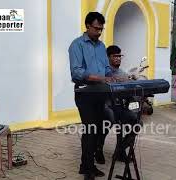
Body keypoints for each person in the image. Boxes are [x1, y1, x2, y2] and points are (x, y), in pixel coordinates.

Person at [68, 12, 113, 180]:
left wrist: (115, 75)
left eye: (101, 29)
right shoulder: (76, 45)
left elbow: (106, 69)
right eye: (96, 28)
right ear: (87, 26)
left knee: (100, 127)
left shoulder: (101, 47)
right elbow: (77, 72)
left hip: (101, 92)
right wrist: (100, 77)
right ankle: (87, 169)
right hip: (85, 92)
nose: (99, 32)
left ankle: (86, 165)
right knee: (90, 130)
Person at [95, 45, 138, 164]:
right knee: (110, 119)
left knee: (137, 122)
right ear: (108, 57)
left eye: (120, 56)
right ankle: (98, 149)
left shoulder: (123, 73)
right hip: (105, 106)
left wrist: (133, 88)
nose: (118, 58)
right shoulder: (102, 72)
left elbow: (129, 94)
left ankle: (120, 149)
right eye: (115, 56)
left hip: (119, 107)